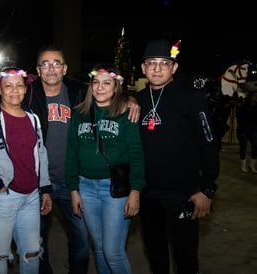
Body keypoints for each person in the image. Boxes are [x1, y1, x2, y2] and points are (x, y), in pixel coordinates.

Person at [0, 44, 141, 274]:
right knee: (36, 243)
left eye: (56, 63)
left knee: (82, 242)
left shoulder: (78, 92)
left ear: (64, 69)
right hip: (38, 184)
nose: (51, 68)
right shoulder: (28, 92)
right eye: (45, 63)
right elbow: (6, 98)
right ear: (38, 69)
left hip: (71, 182)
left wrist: (131, 99)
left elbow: (108, 90)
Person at [135, 38, 220, 274]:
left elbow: (210, 144)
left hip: (183, 193)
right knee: (155, 254)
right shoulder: (138, 100)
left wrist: (207, 189)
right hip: (148, 194)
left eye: (164, 63)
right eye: (151, 63)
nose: (157, 68)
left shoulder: (191, 97)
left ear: (174, 68)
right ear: (143, 68)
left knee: (185, 257)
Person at [65, 63, 145, 274]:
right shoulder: (79, 114)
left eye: (106, 83)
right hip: (86, 188)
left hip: (115, 190)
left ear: (116, 87)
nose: (100, 87)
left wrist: (135, 191)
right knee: (99, 249)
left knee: (113, 252)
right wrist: (73, 189)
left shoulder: (126, 112)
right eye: (96, 82)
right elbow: (72, 153)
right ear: (90, 86)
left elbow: (136, 154)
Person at [0, 67, 53, 274]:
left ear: (25, 89)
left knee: (32, 253)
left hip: (32, 197)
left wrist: (45, 188)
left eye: (19, 85)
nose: (14, 90)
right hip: (2, 197)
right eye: (8, 86)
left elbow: (41, 153)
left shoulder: (33, 118)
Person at [236, 91, 257, 173]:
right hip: (244, 129)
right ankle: (243, 165)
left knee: (255, 146)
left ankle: (252, 165)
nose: (256, 97)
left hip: (254, 129)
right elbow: (239, 119)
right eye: (255, 95)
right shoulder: (244, 106)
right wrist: (241, 131)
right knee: (243, 147)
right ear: (250, 96)